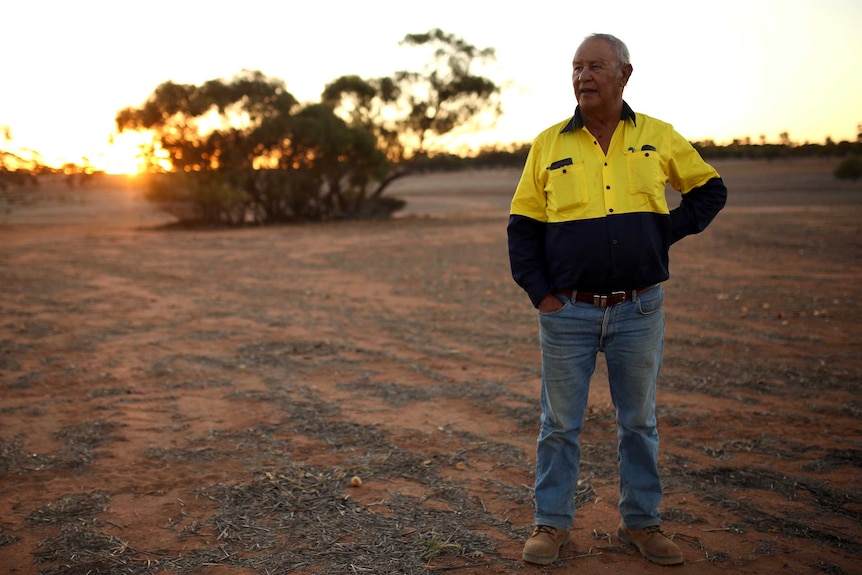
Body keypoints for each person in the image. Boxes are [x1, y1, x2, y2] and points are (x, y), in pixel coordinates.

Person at [507, 33, 727, 566]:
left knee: (639, 423)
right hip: (569, 311)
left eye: (596, 67)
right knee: (559, 425)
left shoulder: (657, 136)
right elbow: (522, 228)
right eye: (577, 67)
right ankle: (551, 526)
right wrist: (542, 295)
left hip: (639, 309)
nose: (584, 76)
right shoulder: (549, 144)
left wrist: (660, 234)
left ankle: (642, 524)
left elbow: (710, 190)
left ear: (625, 74)